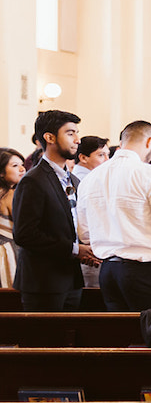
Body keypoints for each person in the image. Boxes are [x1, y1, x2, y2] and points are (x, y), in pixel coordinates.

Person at [76, 120, 151, 311]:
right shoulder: (150, 174)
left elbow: (86, 234)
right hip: (145, 270)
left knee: (120, 335)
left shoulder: (90, 178)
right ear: (149, 142)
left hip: (108, 272)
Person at [13, 110, 96, 311]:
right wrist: (74, 250)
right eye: (70, 133)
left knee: (69, 340)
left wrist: (86, 249)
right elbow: (25, 234)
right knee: (44, 340)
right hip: (43, 282)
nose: (77, 140)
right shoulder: (33, 180)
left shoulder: (74, 180)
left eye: (77, 133)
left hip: (71, 278)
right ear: (49, 137)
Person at [0, 148, 26, 289]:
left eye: (22, 164)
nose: (22, 169)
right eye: (15, 166)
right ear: (1, 173)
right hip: (7, 254)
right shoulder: (10, 195)